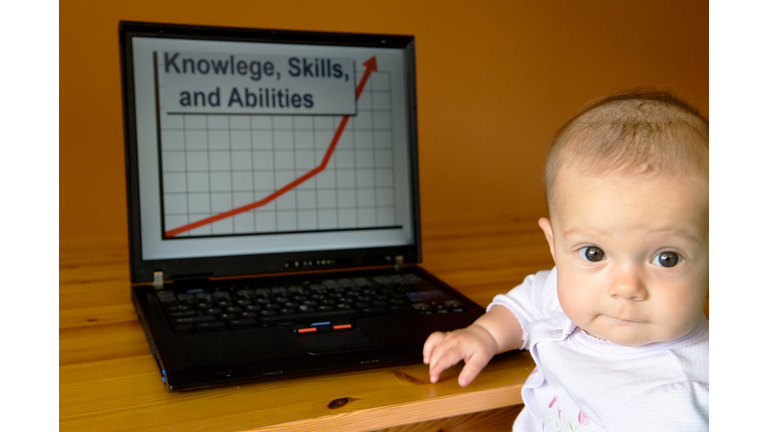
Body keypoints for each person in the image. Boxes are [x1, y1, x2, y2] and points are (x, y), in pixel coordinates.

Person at [422, 88, 709, 431]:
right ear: (554, 245)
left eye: (666, 258)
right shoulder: (574, 293)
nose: (625, 287)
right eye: (595, 253)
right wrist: (484, 334)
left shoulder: (675, 403)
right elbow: (528, 301)